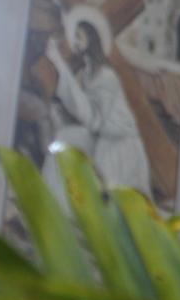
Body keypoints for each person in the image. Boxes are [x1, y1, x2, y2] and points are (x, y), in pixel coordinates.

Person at [43, 12, 150, 195]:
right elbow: (83, 110)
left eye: (79, 36)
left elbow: (93, 119)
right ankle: (51, 201)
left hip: (118, 146)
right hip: (101, 137)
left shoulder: (106, 77)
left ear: (91, 39)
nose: (74, 42)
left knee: (103, 196)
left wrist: (59, 63)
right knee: (63, 138)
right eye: (74, 36)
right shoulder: (87, 74)